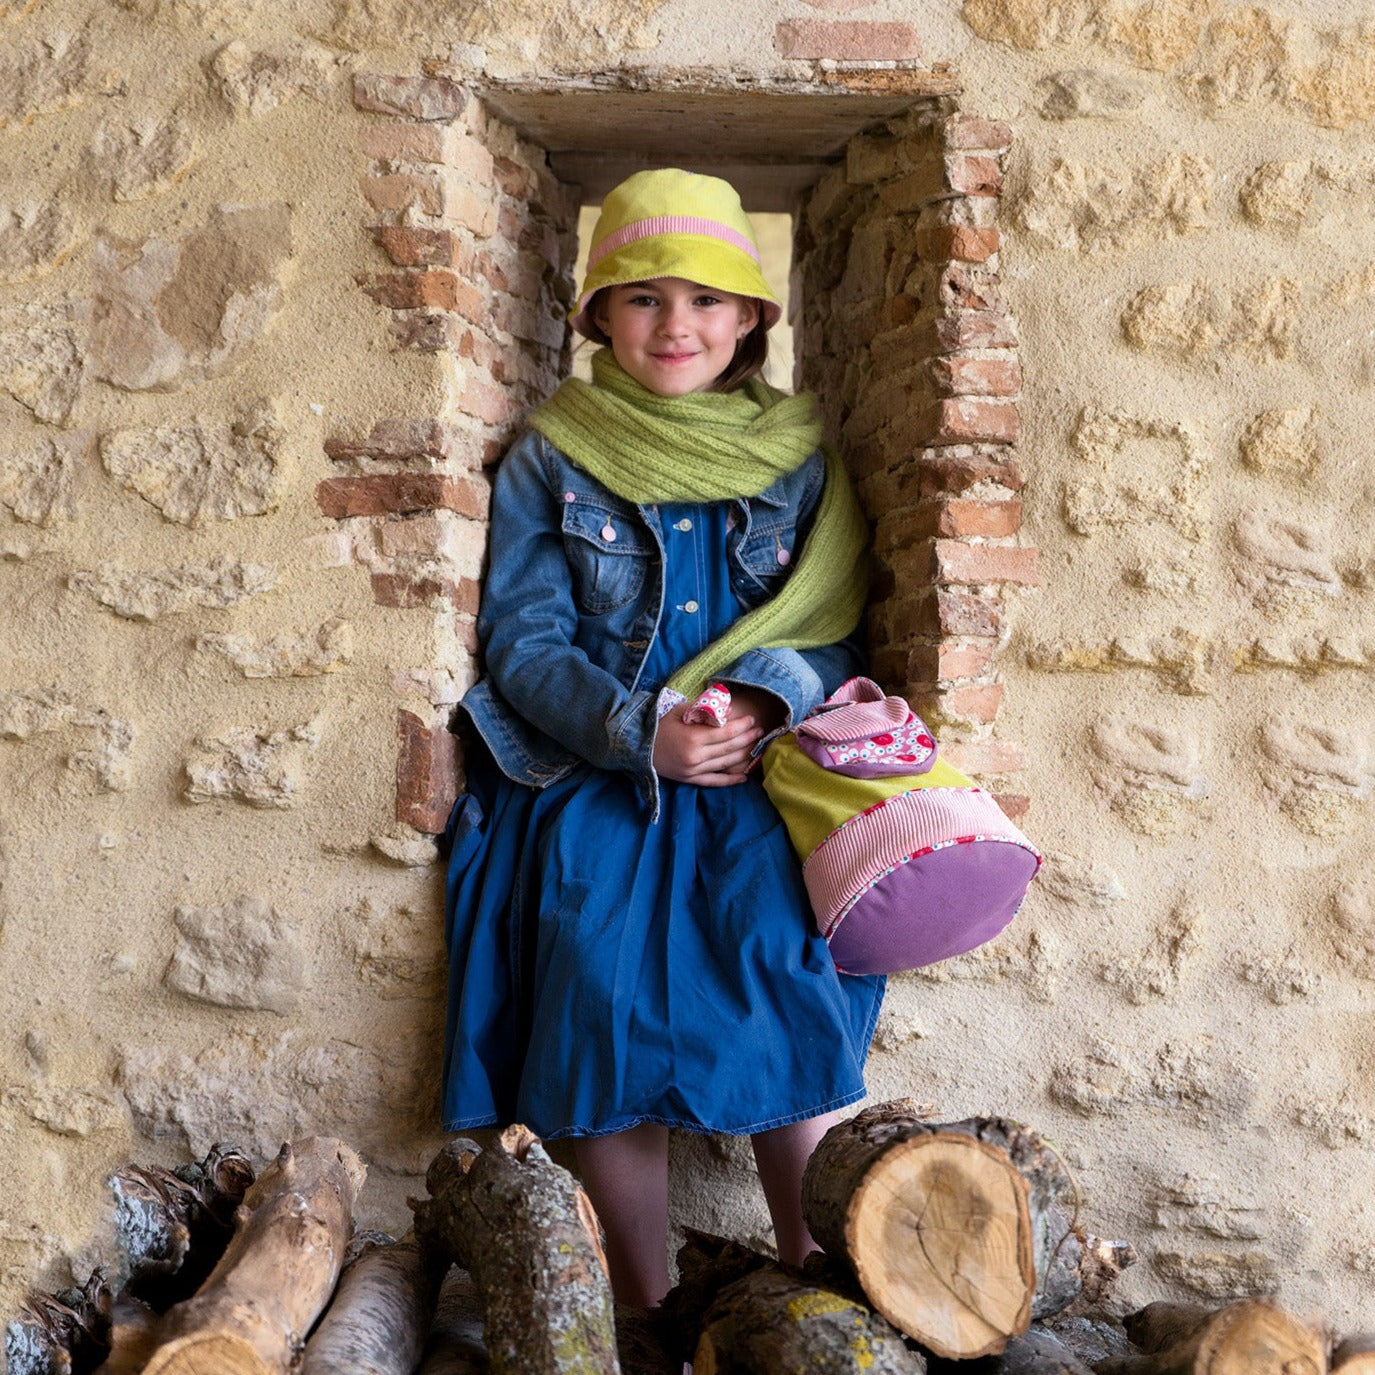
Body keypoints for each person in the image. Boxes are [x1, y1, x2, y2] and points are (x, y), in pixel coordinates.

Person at [441, 167, 885, 1308]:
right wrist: (640, 731)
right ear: (595, 317)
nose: (673, 325)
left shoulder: (799, 461)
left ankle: (815, 1285)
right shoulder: (555, 455)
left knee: (781, 975)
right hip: (601, 778)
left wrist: (759, 701)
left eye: (702, 300)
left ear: (749, 317)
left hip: (748, 780)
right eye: (640, 299)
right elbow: (523, 641)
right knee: (597, 991)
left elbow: (830, 632)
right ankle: (646, 1314)